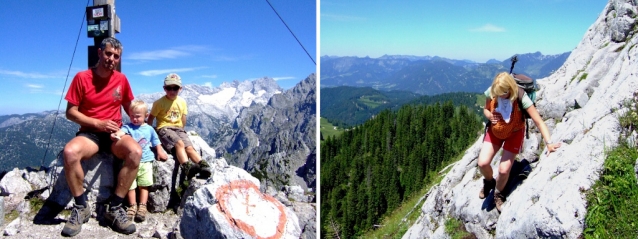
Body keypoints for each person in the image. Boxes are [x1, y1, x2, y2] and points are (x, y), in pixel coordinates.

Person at [61, 37, 139, 237]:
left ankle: (114, 207)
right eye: (108, 54)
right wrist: (97, 123)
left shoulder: (121, 80)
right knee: (70, 152)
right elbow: (71, 112)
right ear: (99, 53)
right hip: (91, 133)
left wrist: (143, 125)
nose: (111, 59)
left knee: (135, 152)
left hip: (114, 133)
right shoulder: (82, 77)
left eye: (116, 56)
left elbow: (130, 108)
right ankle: (81, 207)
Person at [477, 72, 561, 212]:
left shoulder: (521, 97)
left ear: (510, 88)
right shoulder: (492, 92)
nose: (500, 96)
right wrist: (490, 116)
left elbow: (538, 122)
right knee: (482, 163)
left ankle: (498, 193)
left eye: (503, 93)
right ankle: (489, 182)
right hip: (496, 131)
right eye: (497, 93)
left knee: (503, 171)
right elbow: (486, 109)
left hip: (514, 133)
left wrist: (549, 143)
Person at [147, 73, 212, 183]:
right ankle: (187, 167)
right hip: (164, 128)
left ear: (180, 89)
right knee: (179, 144)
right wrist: (149, 131)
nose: (172, 91)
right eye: (169, 88)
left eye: (175, 88)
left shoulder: (182, 102)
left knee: (189, 148)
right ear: (164, 88)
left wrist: (181, 129)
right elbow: (151, 118)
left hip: (178, 128)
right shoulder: (159, 103)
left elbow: (183, 117)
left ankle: (203, 165)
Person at [111, 99, 168, 222]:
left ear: (146, 116)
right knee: (130, 185)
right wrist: (116, 135)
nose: (134, 119)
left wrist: (160, 151)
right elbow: (121, 132)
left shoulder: (149, 129)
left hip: (146, 161)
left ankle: (142, 206)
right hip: (130, 162)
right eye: (132, 116)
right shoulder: (128, 127)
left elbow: (155, 141)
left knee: (144, 185)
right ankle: (132, 206)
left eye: (138, 116)